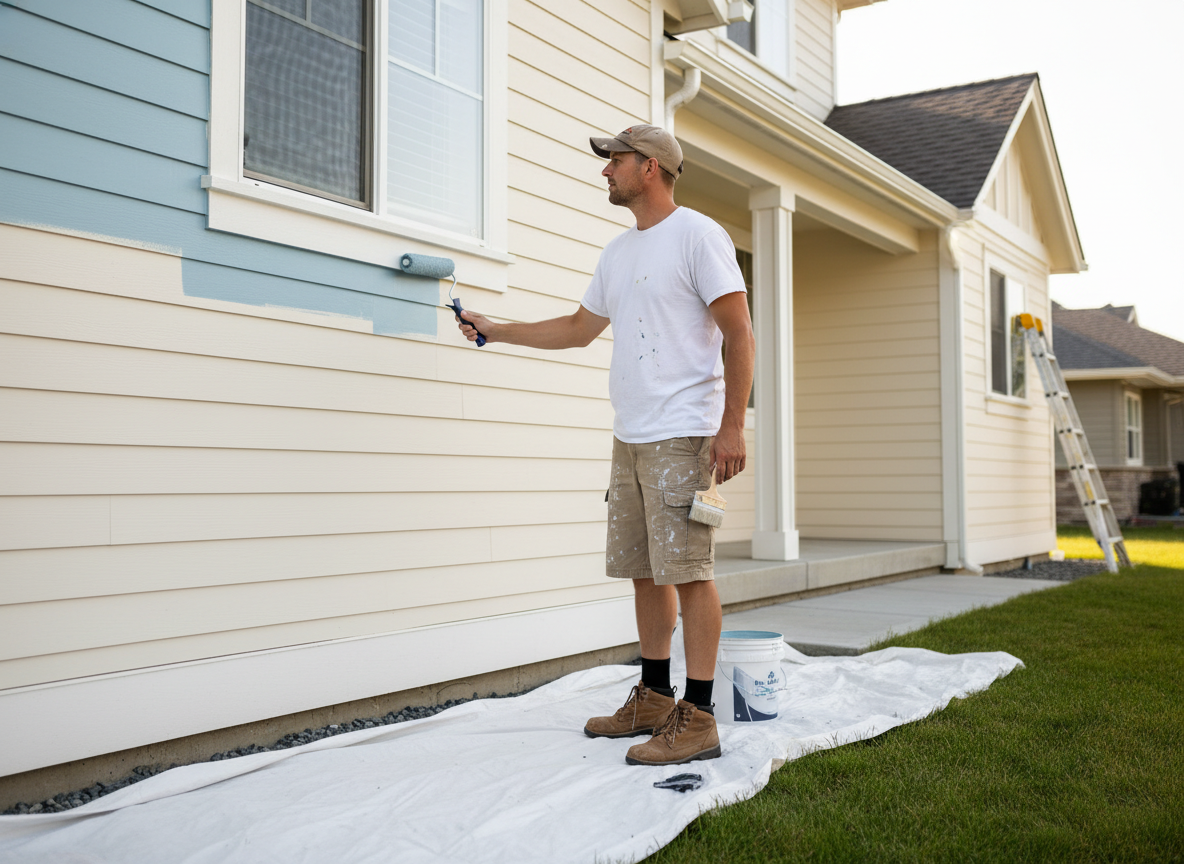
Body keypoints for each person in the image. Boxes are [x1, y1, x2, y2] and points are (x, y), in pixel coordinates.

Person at [456, 125, 754, 766]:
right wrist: (498, 330)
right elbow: (577, 328)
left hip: (683, 431)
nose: (605, 171)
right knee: (644, 571)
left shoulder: (699, 236)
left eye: (613, 160)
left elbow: (739, 332)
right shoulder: (619, 253)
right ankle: (653, 696)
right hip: (631, 435)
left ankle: (697, 716)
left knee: (690, 573)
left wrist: (732, 426)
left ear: (649, 167)